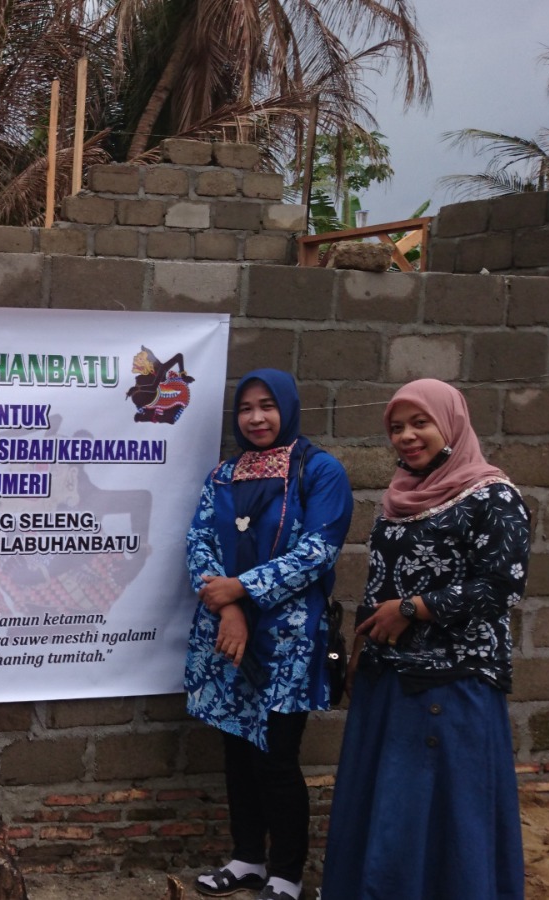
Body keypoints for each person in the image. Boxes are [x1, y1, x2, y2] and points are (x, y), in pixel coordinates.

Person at [320, 379, 530, 900]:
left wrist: (414, 610)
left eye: (421, 423)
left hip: (452, 685)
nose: (407, 436)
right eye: (397, 427)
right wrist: (361, 650)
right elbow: (379, 584)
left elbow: (500, 586)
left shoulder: (494, 497)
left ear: (451, 424)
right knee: (387, 808)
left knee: (442, 813)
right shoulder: (398, 498)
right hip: (387, 680)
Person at [184, 369, 353, 900]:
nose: (256, 418)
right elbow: (199, 542)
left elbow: (317, 551)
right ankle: (247, 859)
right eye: (246, 408)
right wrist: (229, 607)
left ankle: (287, 874)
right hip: (226, 634)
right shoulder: (224, 475)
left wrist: (240, 589)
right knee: (236, 750)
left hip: (287, 641)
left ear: (288, 407)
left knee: (276, 757)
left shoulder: (319, 471)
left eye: (267, 406)